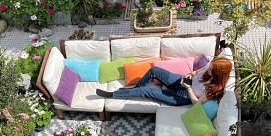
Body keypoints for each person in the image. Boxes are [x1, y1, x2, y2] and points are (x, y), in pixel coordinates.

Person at [95, 57, 232, 106]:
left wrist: (189, 89)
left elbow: (196, 104)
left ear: (218, 74)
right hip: (181, 81)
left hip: (183, 97)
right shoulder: (210, 66)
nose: (208, 69)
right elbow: (196, 72)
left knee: (146, 91)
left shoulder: (215, 88)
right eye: (210, 67)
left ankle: (112, 94)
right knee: (154, 70)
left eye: (211, 70)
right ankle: (134, 88)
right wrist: (191, 74)